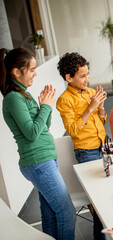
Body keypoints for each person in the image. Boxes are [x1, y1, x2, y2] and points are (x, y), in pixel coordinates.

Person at [0, 47, 76, 239]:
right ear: (16, 72)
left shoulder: (23, 94)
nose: (36, 72)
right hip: (38, 162)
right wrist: (46, 107)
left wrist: (45, 108)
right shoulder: (13, 98)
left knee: (50, 214)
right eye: (32, 69)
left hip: (45, 160)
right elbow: (32, 133)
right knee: (67, 213)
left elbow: (43, 126)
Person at [56, 52, 106, 240]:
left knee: (107, 196)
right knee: (99, 201)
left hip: (103, 147)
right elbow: (73, 130)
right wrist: (91, 108)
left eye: (88, 74)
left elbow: (102, 120)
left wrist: (100, 109)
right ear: (69, 78)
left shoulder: (91, 93)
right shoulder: (64, 100)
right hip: (88, 153)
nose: (87, 79)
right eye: (83, 75)